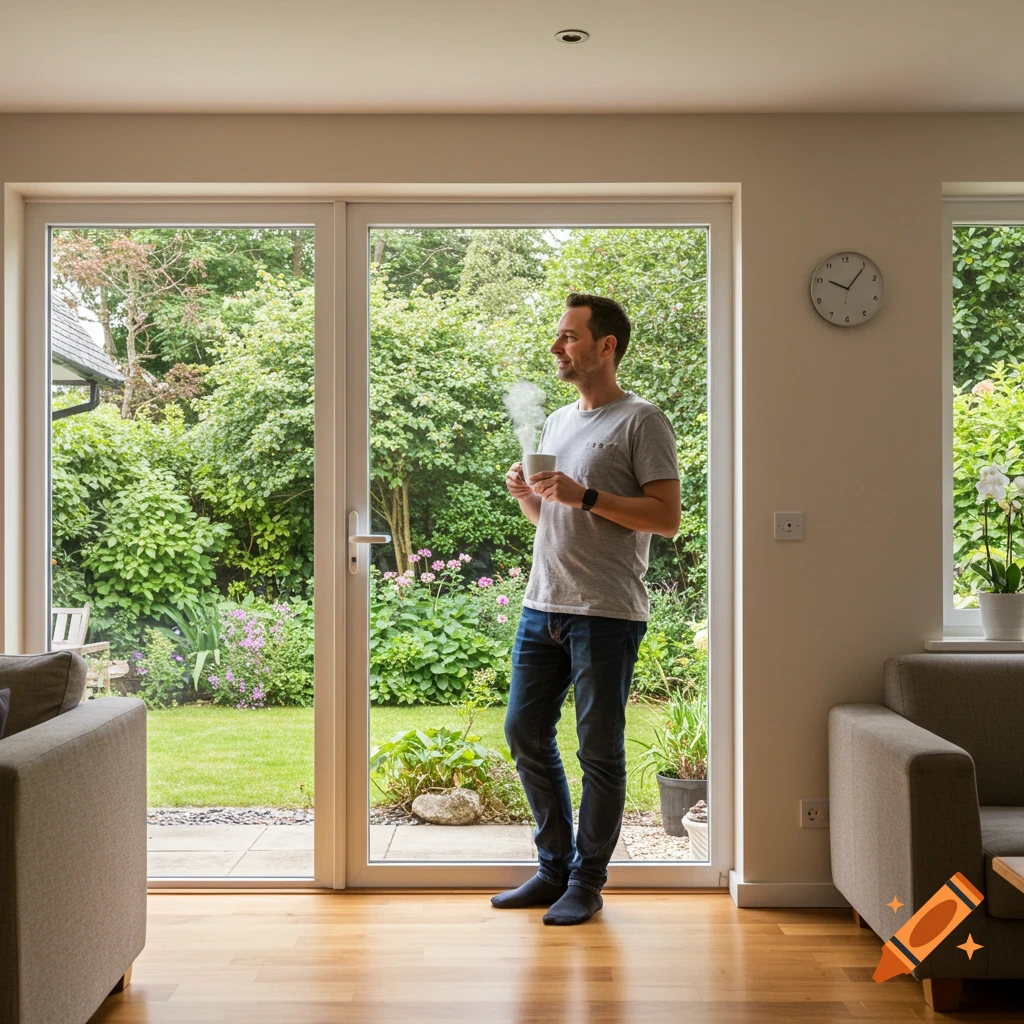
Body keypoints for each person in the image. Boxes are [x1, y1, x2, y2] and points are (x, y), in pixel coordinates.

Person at [491, 292, 681, 925]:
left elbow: (667, 519)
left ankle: (587, 880)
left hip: (606, 611)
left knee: (598, 749)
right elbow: (551, 519)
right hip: (542, 605)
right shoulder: (556, 423)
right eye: (558, 336)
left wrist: (588, 494)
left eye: (569, 337)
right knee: (523, 731)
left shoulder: (642, 421)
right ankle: (553, 870)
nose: (557, 347)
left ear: (606, 346)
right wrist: (528, 494)